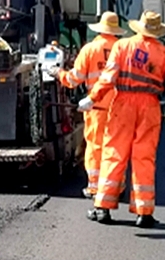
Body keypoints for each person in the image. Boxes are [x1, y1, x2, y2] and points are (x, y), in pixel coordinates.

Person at [80, 11, 165, 228]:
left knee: (114, 154)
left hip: (123, 105)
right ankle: (144, 213)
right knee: (143, 159)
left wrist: (92, 98)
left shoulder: (122, 46)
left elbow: (107, 78)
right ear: (157, 31)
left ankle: (102, 208)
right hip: (150, 108)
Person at [46, 12, 124, 198]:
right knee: (117, 148)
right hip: (121, 108)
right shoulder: (123, 49)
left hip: (97, 108)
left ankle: (95, 187)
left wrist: (57, 72)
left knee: (96, 147)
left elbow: (73, 80)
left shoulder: (90, 49)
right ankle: (117, 186)